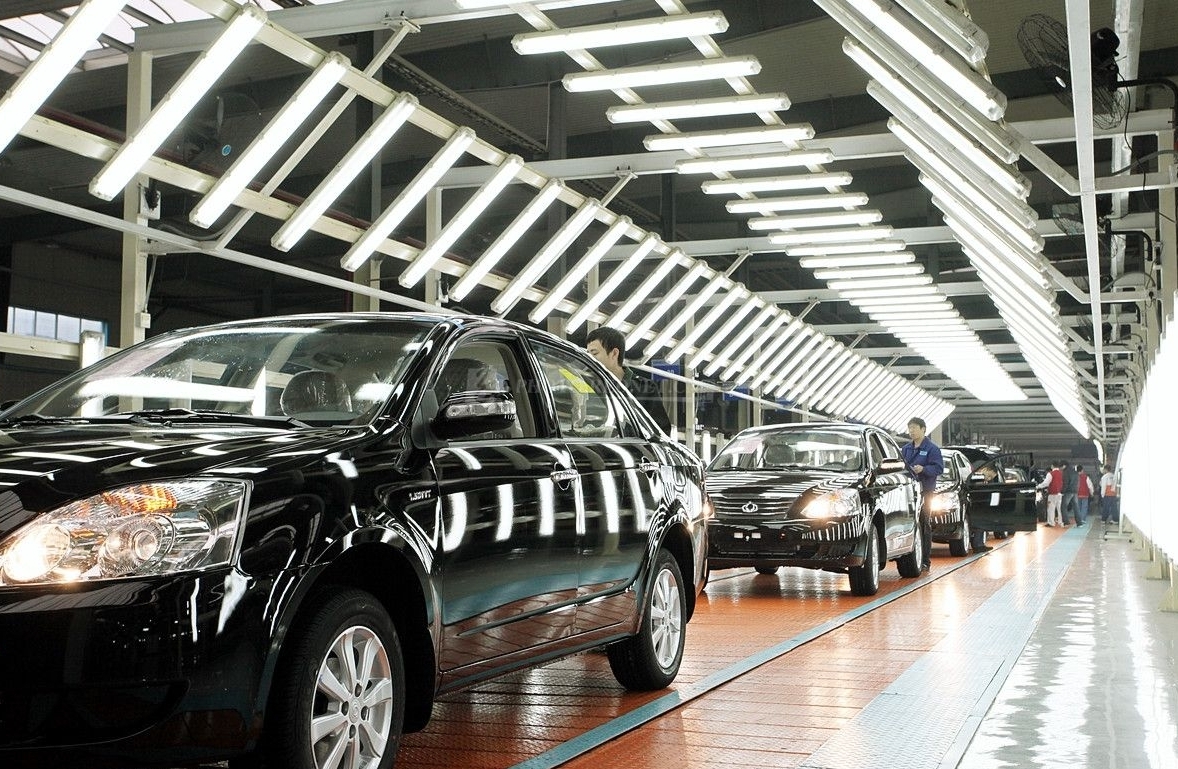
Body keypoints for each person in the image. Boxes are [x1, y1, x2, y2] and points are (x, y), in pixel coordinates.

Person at [585, 326, 672, 433]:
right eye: (587, 354)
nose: (589, 359)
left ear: (614, 353)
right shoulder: (587, 386)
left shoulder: (645, 389)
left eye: (594, 353)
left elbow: (661, 432)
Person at [900, 417, 943, 571]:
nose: (911, 431)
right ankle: (910, 558)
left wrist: (924, 469)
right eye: (909, 428)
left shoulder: (932, 449)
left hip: (925, 491)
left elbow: (939, 468)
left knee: (924, 523)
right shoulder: (906, 449)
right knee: (909, 524)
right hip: (909, 492)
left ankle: (925, 560)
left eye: (914, 428)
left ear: (923, 429)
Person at [1036, 461, 1065, 527]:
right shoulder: (1061, 473)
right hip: (1059, 493)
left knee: (1051, 509)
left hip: (1052, 494)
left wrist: (1038, 486)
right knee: (1059, 509)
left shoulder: (1051, 474)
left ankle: (1051, 523)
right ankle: (1060, 522)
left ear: (1052, 466)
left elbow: (1046, 483)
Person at [1061, 460, 1079, 525]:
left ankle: (1066, 522)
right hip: (1075, 491)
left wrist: (1062, 491)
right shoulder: (1075, 472)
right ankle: (1079, 522)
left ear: (1064, 465)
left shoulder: (1066, 472)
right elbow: (1077, 482)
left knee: (1063, 507)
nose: (1061, 468)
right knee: (1076, 507)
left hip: (1068, 491)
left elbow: (1065, 483)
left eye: (1061, 467)